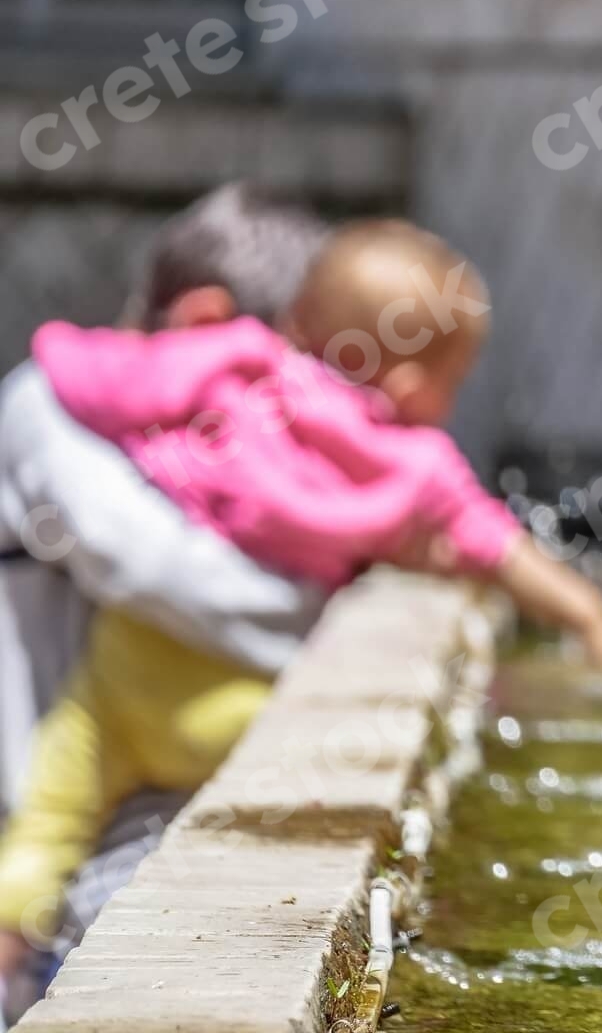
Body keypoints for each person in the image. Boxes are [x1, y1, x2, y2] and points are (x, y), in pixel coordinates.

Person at [0, 216, 602, 1008]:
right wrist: (590, 618)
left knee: (47, 820)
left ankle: (10, 951)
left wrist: (60, 349)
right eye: (456, 382)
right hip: (235, 701)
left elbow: (97, 374)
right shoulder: (411, 466)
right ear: (410, 387)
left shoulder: (233, 365)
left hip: (124, 668)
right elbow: (497, 546)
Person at [0, 185, 332, 1022]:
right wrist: (338, 632)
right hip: (35, 840)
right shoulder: (49, 403)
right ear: (201, 321)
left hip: (115, 831)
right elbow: (146, 567)